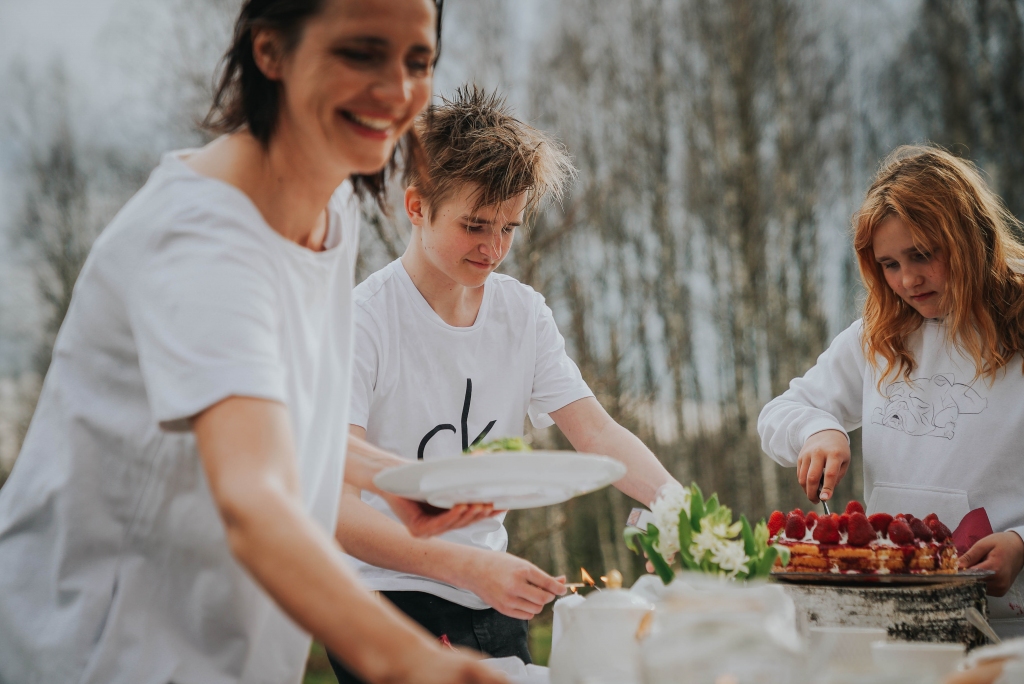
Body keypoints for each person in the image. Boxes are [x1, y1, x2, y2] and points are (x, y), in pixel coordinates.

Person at [0, 2, 509, 683]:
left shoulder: (332, 209)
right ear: (270, 52)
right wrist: (409, 660)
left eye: (417, 60)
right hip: (95, 653)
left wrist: (390, 476)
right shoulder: (204, 237)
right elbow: (253, 496)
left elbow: (279, 422)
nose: (396, 90)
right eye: (360, 53)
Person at [329, 86, 679, 682]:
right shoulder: (362, 320)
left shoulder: (523, 313)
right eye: (474, 225)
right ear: (417, 206)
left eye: (509, 227)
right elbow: (334, 503)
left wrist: (679, 509)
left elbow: (594, 431)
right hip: (384, 601)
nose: (494, 247)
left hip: (496, 597)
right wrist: (462, 568)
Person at [758, 145, 1024, 638]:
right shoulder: (877, 337)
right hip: (891, 618)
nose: (907, 280)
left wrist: (1022, 542)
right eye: (888, 264)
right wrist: (818, 429)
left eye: (922, 255)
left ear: (970, 238)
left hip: (1008, 627)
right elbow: (780, 412)